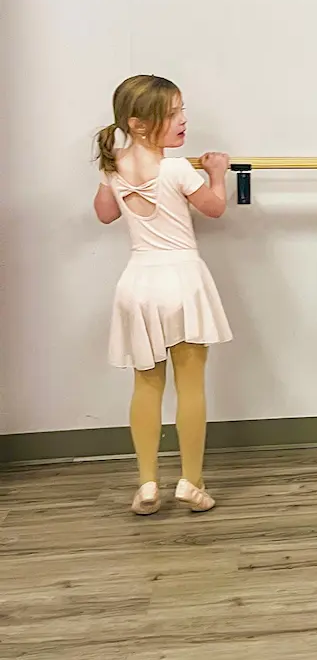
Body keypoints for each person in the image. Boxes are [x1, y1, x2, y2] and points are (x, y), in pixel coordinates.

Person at [93, 75, 230, 514]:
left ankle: (148, 483)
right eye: (172, 113)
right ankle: (191, 481)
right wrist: (217, 174)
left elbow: (105, 214)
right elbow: (213, 207)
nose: (183, 119)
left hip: (137, 283)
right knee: (191, 386)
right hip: (182, 281)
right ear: (138, 123)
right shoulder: (175, 169)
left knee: (146, 386)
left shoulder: (114, 166)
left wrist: (107, 174)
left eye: (181, 110)